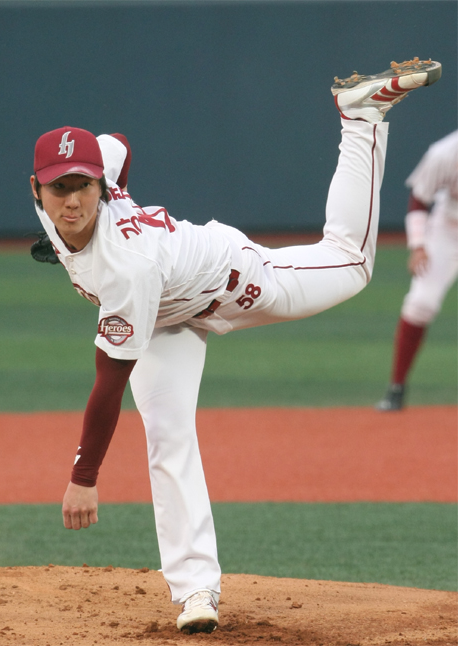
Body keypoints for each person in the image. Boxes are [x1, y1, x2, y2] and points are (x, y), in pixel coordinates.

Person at [29, 58, 441, 634]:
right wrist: (89, 216)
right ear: (36, 188)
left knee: (351, 263)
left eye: (84, 186)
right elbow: (117, 143)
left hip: (232, 282)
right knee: (167, 435)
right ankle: (195, 590)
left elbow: (109, 383)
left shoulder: (125, 268)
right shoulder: (74, 197)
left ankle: (361, 118)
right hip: (166, 316)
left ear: (99, 185)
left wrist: (85, 475)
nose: (71, 201)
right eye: (59, 187)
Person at [376, 129, 457, 411]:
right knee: (421, 304)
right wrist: (419, 245)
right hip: (448, 230)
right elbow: (420, 198)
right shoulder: (444, 153)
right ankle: (396, 388)